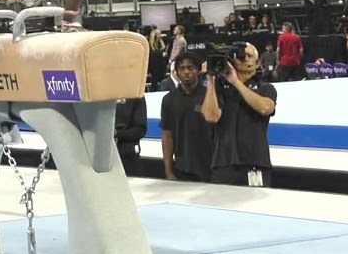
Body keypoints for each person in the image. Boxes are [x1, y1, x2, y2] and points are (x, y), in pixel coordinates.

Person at [202, 43, 278, 187]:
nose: (245, 59)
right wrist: (210, 80)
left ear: (257, 63)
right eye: (241, 56)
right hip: (223, 162)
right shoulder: (219, 89)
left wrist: (235, 82)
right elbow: (211, 116)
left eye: (249, 56)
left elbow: (265, 108)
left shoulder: (265, 88)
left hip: (255, 162)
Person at [160, 54, 213, 182]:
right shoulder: (169, 100)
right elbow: (167, 136)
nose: (186, 72)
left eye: (190, 68)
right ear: (176, 72)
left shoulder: (210, 95)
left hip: (211, 167)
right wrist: (168, 171)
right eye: (182, 68)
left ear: (198, 70)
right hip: (182, 167)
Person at [114, 95, 148, 175]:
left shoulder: (135, 94)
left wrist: (116, 133)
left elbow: (140, 130)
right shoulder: (97, 92)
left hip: (127, 156)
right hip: (100, 159)